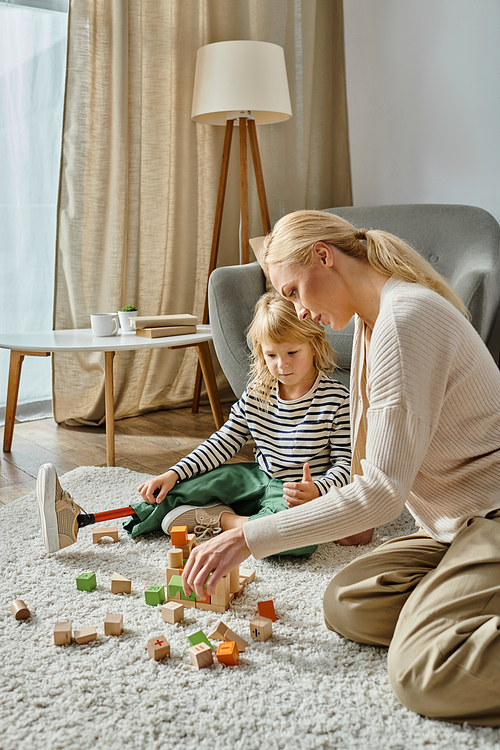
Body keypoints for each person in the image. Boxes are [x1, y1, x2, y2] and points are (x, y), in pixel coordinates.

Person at [181, 209, 500, 726]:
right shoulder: (374, 326)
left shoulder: (407, 318)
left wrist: (248, 537)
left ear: (323, 258)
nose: (298, 311)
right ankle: (463, 595)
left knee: (424, 673)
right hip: (451, 529)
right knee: (348, 602)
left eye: (291, 292)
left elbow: (380, 494)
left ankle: (460, 601)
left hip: (491, 516)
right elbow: (374, 474)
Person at [37, 292, 370, 555]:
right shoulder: (259, 392)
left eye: (292, 353)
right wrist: (173, 473)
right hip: (256, 477)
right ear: (260, 353)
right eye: (271, 355)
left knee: (298, 537)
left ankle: (222, 520)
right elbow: (222, 443)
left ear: (314, 345)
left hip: (295, 493)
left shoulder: (336, 399)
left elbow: (345, 463)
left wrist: (318, 490)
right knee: (177, 490)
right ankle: (78, 520)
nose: (281, 365)